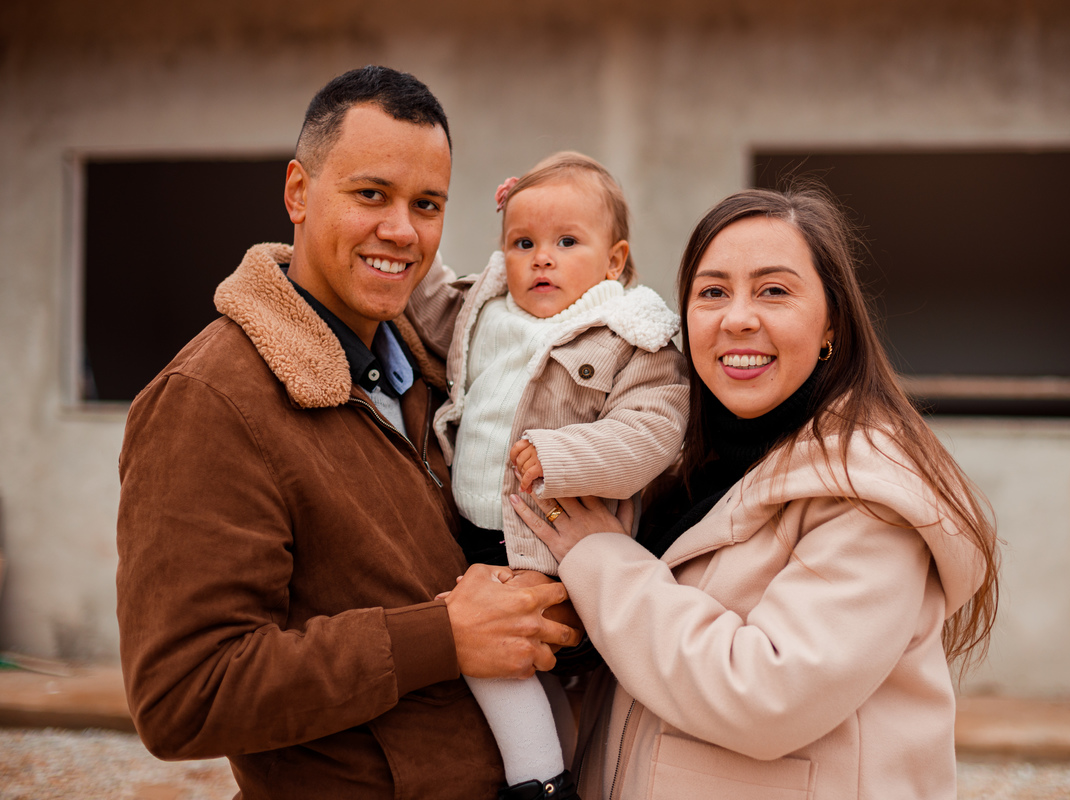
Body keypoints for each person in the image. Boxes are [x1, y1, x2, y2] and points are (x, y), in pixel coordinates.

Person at [116, 66, 581, 800]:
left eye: (426, 204)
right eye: (371, 195)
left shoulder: (440, 368)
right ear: (298, 194)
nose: (401, 230)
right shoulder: (208, 400)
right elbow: (185, 697)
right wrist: (443, 637)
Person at [512, 187, 1001, 799]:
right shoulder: (684, 471)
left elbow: (766, 696)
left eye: (774, 290)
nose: (737, 318)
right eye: (712, 292)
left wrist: (601, 560)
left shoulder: (870, 497)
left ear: (831, 324)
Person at [405, 151, 688, 800]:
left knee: (496, 659)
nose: (541, 258)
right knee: (528, 670)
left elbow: (652, 433)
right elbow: (420, 298)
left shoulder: (629, 334)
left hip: (551, 542)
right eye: (522, 242)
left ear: (614, 261)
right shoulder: (486, 310)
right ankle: (562, 772)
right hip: (472, 532)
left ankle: (538, 783)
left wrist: (565, 457)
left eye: (566, 242)